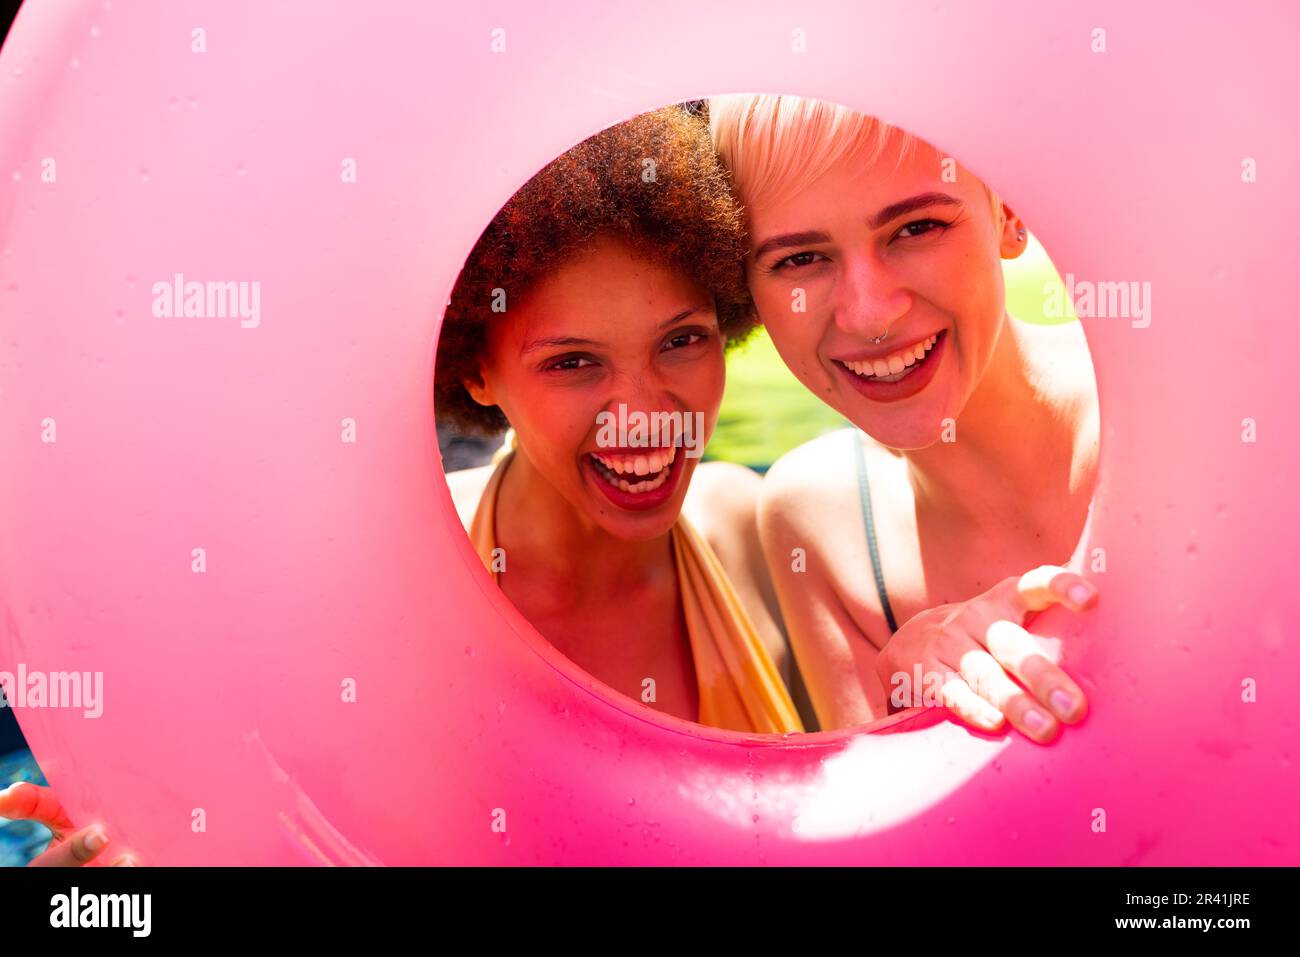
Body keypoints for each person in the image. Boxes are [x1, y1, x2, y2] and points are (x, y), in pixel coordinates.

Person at [709, 94, 1100, 741]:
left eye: (916, 228)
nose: (870, 313)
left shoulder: (1161, 404)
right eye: (799, 259)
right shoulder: (819, 522)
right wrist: (914, 697)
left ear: (1007, 207)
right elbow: (894, 836)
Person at [437, 106, 809, 735]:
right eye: (573, 362)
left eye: (681, 341)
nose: (642, 418)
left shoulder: (759, 536)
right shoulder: (412, 563)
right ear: (478, 374)